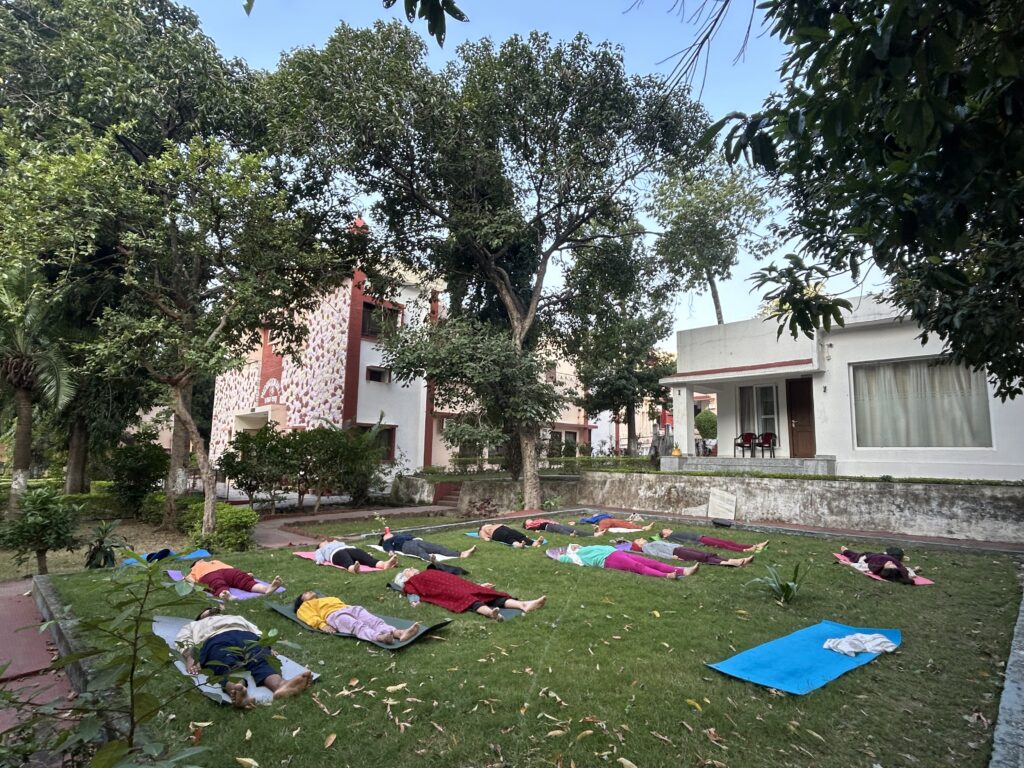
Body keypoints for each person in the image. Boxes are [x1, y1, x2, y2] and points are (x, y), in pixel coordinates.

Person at [174, 604, 312, 709]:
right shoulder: (193, 625)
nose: (211, 612)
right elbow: (184, 640)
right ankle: (237, 690)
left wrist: (267, 645)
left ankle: (280, 686)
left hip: (245, 635)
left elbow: (255, 630)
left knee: (260, 657)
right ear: (200, 617)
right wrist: (190, 658)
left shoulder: (236, 618)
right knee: (225, 661)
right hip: (214, 640)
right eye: (207, 611)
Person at [393, 566, 546, 620]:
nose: (412, 568)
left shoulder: (428, 571)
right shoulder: (410, 582)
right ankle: (489, 613)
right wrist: (414, 601)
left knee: (486, 593)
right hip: (443, 591)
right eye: (408, 570)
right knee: (465, 598)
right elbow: (411, 592)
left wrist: (476, 585)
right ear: (405, 576)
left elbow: (453, 578)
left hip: (457, 584)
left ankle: (523, 604)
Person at [293, 591, 421, 644]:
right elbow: (309, 617)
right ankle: (379, 637)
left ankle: (399, 633)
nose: (309, 592)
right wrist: (322, 625)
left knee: (374, 621)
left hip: (351, 608)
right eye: (305, 593)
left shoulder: (327, 598)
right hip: (334, 615)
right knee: (357, 626)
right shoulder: (305, 606)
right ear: (302, 600)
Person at [557, 543, 698, 579]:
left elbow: (577, 546)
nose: (574, 546)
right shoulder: (574, 557)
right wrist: (562, 553)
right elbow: (559, 557)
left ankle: (683, 570)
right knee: (638, 566)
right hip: (608, 559)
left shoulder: (583, 548)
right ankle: (666, 576)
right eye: (572, 547)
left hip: (616, 552)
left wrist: (576, 546)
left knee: (650, 562)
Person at [185, 559, 284, 600]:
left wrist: (246, 574)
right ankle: (225, 594)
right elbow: (189, 579)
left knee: (241, 579)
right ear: (196, 563)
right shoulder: (194, 568)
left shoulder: (214, 561)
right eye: (199, 560)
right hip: (212, 573)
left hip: (222, 572)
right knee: (219, 583)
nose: (202, 560)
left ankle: (266, 589)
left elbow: (189, 579)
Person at [629, 538, 753, 567]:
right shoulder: (647, 548)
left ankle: (729, 560)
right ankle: (729, 562)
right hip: (676, 552)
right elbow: (657, 554)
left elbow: (665, 544)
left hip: (678, 548)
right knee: (701, 557)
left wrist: (678, 545)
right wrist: (672, 557)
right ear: (639, 545)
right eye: (639, 540)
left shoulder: (650, 544)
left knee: (703, 554)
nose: (642, 539)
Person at [840, 545, 917, 584]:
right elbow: (907, 572)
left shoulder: (876, 567)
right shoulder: (900, 570)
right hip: (881, 555)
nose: (891, 563)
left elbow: (862, 566)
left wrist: (848, 563)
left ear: (885, 568)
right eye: (892, 565)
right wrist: (913, 571)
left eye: (889, 565)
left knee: (855, 556)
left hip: (868, 558)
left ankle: (846, 551)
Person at [379, 530, 476, 560]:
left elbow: (410, 536)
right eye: (386, 535)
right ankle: (431, 560)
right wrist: (391, 552)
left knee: (437, 547)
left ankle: (461, 554)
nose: (389, 534)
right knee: (419, 551)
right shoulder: (388, 541)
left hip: (415, 541)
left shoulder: (399, 535)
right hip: (405, 546)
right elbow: (388, 547)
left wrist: (414, 538)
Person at [313, 540, 397, 573]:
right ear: (320, 546)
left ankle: (383, 564)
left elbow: (348, 545)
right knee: (344, 558)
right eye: (322, 542)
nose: (325, 542)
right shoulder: (321, 549)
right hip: (335, 553)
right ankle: (353, 568)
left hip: (349, 548)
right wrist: (319, 561)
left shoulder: (337, 542)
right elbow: (318, 556)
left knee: (364, 556)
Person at [659, 528, 768, 553]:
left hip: (701, 536)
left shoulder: (673, 533)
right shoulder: (671, 537)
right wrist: (699, 544)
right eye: (666, 530)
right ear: (665, 535)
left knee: (727, 542)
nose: (668, 529)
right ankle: (746, 550)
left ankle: (755, 545)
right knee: (722, 545)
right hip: (700, 540)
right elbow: (685, 542)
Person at [478, 523, 543, 548]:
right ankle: (518, 545)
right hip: (495, 532)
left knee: (517, 534)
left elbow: (507, 527)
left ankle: (534, 543)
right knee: (506, 536)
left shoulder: (494, 524)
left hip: (504, 528)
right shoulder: (482, 529)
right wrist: (487, 538)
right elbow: (485, 537)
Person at [524, 518, 594, 537]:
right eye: (528, 521)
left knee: (571, 529)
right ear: (526, 524)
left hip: (552, 524)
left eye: (530, 520)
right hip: (548, 527)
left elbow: (545, 520)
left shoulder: (537, 521)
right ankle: (570, 534)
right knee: (560, 529)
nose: (530, 520)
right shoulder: (530, 527)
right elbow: (533, 529)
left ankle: (592, 534)